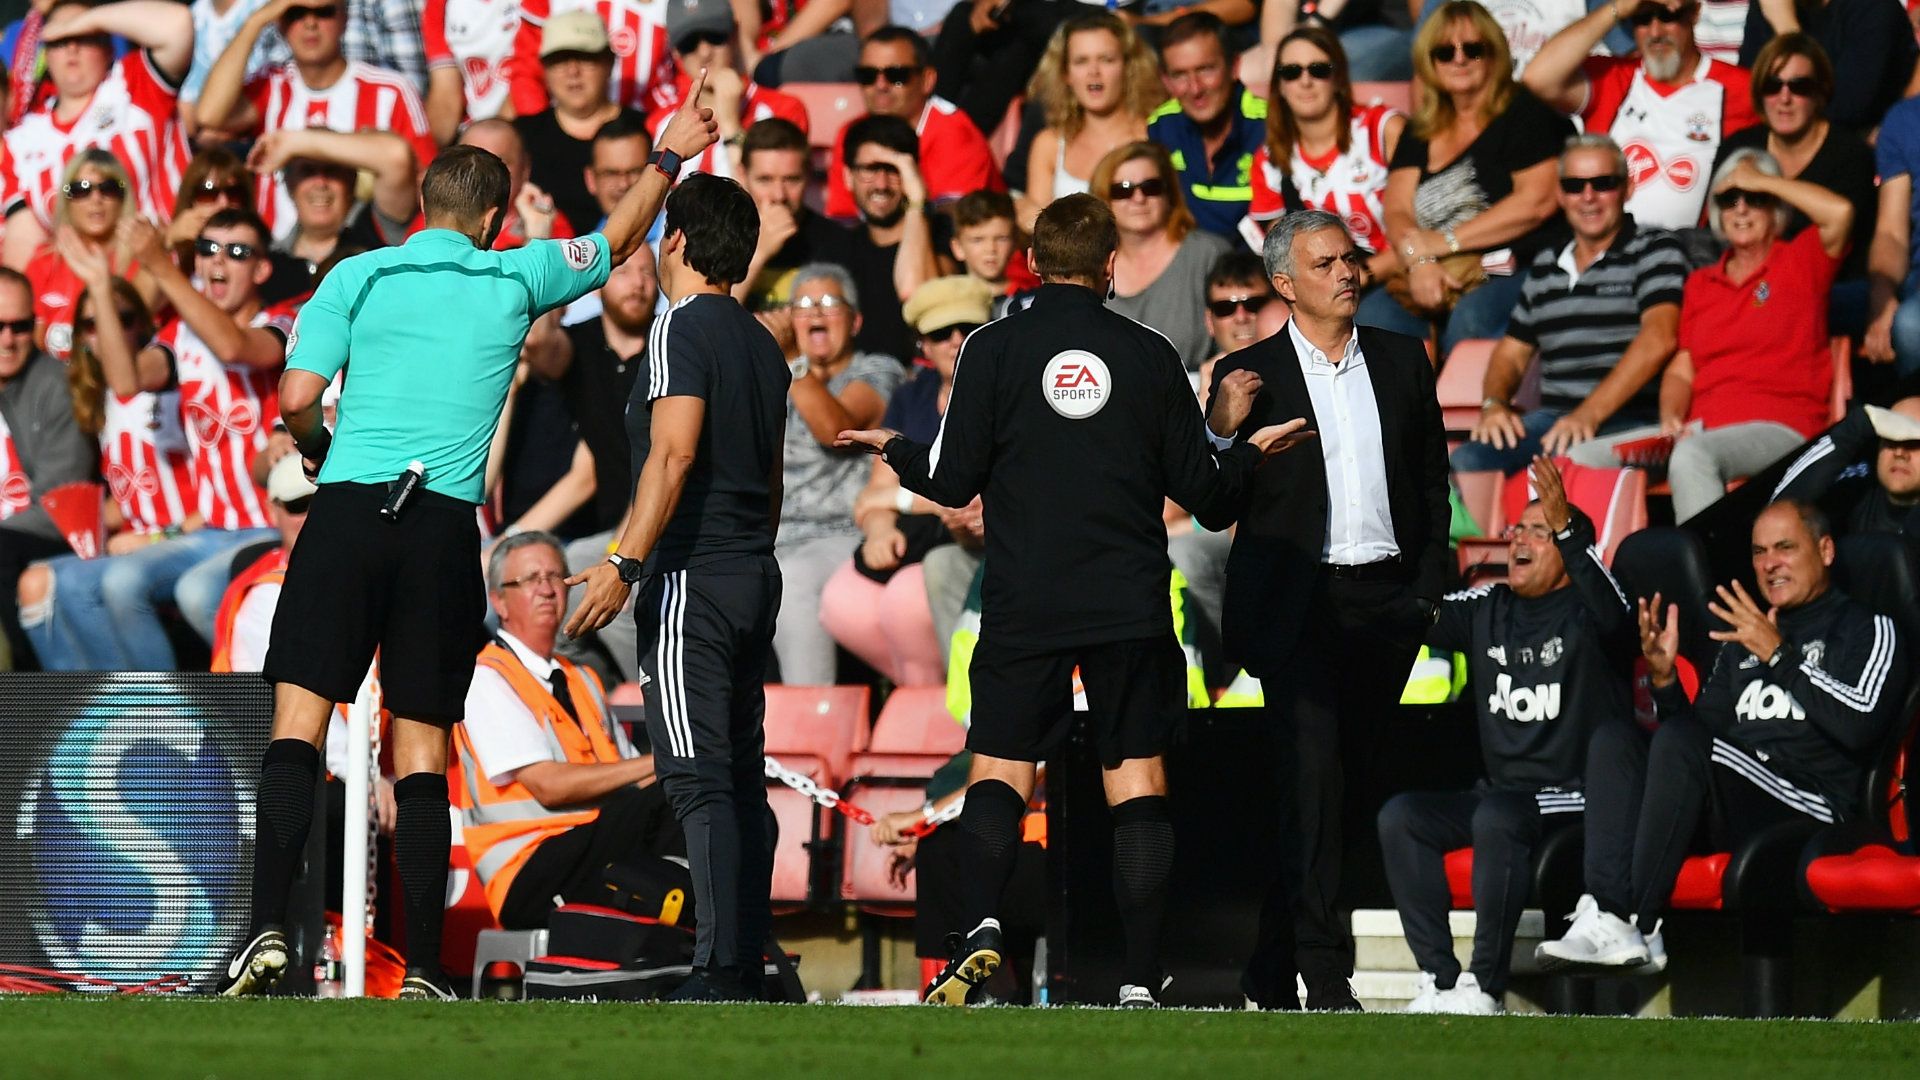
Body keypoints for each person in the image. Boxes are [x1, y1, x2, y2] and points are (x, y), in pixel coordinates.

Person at [217, 71, 717, 1001]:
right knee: (420, 748)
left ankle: (259, 938)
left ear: (420, 209)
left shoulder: (355, 274)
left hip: (347, 511)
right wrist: (670, 151)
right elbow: (614, 241)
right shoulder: (513, 271)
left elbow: (292, 400)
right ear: (492, 220)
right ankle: (427, 970)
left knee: (297, 725)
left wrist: (327, 451)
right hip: (441, 524)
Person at [838, 193, 1308, 1009]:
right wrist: (1235, 438)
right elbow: (1208, 497)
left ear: (1030, 263)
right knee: (1137, 782)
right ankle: (1137, 975)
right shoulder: (1152, 350)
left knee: (1000, 771)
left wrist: (899, 450)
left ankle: (981, 925)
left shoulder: (991, 347)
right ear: (1110, 268)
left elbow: (952, 484)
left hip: (1025, 601)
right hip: (1126, 601)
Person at [1206, 210, 1451, 1011]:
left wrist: (1423, 596)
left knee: (1341, 800)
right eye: (1325, 263)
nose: (1347, 272)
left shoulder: (1402, 358)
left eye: (1350, 258)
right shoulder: (1246, 374)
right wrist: (1228, 435)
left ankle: (1270, 971)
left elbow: (1429, 485)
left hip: (1387, 604)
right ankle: (1324, 974)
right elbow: (1214, 506)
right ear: (1284, 284)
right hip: (1298, 605)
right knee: (1313, 785)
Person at [562, 172, 790, 1003]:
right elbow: (766, 475)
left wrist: (626, 561)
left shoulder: (679, 327)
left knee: (697, 777)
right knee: (738, 777)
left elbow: (674, 452)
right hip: (751, 571)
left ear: (680, 242)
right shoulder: (764, 341)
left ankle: (719, 967)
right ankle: (747, 954)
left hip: (693, 575)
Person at [1536, 499, 1909, 972]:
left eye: (1785, 548)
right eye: (1758, 552)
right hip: (1735, 795)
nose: (1769, 563)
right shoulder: (1745, 637)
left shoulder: (1868, 629)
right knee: (1615, 740)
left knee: (1681, 745)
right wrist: (1666, 682)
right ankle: (1604, 911)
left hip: (1811, 800)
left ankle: (1638, 922)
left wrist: (1780, 656)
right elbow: (1694, 732)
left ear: (1827, 550)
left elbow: (1861, 722)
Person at [1381, 456, 1635, 1015]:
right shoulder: (1488, 607)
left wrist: (1568, 528)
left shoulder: (1591, 613)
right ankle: (1440, 980)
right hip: (1499, 793)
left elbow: (1620, 620)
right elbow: (1412, 615)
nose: (1517, 537)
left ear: (1569, 551)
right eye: (1517, 527)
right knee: (1402, 818)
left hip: (1569, 793)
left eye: (1538, 531)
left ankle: (1486, 986)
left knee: (1497, 815)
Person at [91, 210, 293, 668]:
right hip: (213, 529)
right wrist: (101, 287)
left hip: (270, 527)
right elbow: (124, 380)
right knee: (118, 583)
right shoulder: (179, 335)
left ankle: (262, 717)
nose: (217, 261)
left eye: (237, 252)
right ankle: (172, 720)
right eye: (207, 250)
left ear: (262, 269)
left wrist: (162, 265)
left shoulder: (283, 322)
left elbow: (234, 348)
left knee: (197, 591)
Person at [455, 531, 683, 929]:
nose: (546, 589)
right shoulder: (487, 678)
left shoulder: (583, 678)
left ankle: (708, 923)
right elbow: (550, 786)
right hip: (528, 868)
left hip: (592, 848)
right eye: (530, 580)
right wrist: (669, 763)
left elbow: (633, 776)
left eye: (555, 577)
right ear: (498, 602)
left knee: (716, 797)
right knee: (679, 790)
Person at [1459, 135, 1690, 474]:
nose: (1588, 197)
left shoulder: (1656, 249)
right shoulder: (1546, 264)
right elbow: (1510, 352)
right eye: (1574, 185)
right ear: (1560, 195)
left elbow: (1660, 337)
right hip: (1555, 423)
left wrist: (1589, 414)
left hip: (1630, 421)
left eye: (1603, 183)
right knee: (1468, 460)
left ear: (1627, 188)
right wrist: (1494, 406)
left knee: (1572, 463)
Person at [1358, 2, 1571, 353]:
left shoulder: (1523, 112)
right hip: (1429, 268)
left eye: (1473, 49)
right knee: (1375, 318)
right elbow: (1397, 209)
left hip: (1515, 266)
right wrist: (1420, 260)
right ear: (1430, 61)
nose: (1459, 59)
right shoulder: (1420, 130)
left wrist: (1443, 244)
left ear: (1495, 54)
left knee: (1471, 321)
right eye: (1445, 51)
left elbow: (1538, 201)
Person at [1653, 150, 1851, 522]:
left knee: (1694, 456)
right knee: (1578, 459)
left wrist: (1759, 178)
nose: (1741, 209)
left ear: (1775, 205)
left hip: (1782, 428)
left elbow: (1840, 213)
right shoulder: (1701, 282)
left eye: (1755, 199)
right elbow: (1682, 369)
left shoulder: (1801, 259)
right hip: (1701, 430)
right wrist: (1670, 417)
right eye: (1730, 199)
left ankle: (1708, 576)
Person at [15, 263, 192, 671]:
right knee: (36, 583)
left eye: (122, 318)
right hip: (132, 542)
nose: (106, 332)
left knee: (113, 581)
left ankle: (156, 708)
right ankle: (93, 712)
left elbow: (210, 500)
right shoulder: (97, 402)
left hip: (183, 537)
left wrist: (153, 538)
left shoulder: (166, 390)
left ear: (143, 325)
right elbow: (128, 499)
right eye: (91, 324)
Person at [819, 275, 992, 687]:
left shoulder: (1002, 391)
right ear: (924, 345)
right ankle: (924, 701)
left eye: (968, 330)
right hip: (923, 537)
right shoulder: (912, 397)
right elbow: (874, 496)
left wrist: (908, 501)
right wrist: (881, 527)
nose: (955, 340)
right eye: (941, 332)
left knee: (905, 598)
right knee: (843, 599)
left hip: (981, 544)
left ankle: (939, 707)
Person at [195, 0, 436, 241]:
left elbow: (425, 186)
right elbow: (209, 114)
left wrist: (294, 143)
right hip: (278, 259)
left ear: (345, 17)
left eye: (324, 12)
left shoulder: (391, 91)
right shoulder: (272, 85)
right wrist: (254, 22)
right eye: (296, 13)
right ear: (279, 20)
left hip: (362, 251)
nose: (310, 24)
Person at [766, 264, 903, 684]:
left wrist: (792, 359)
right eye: (803, 305)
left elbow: (838, 430)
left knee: (795, 580)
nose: (816, 315)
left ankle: (812, 730)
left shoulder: (877, 371)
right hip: (767, 535)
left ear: (856, 320)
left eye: (829, 304)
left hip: (838, 534)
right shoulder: (769, 376)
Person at [1523, 0, 1757, 233]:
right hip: (1608, 254)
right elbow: (1537, 78)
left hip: (1690, 256)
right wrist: (1621, 7)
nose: (1655, 32)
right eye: (1642, 19)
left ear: (1694, 13)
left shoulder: (1741, 88)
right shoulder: (1614, 77)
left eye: (1667, 16)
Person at [0, 0, 194, 270]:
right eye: (59, 40)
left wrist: (87, 19)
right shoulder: (21, 140)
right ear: (46, 52)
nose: (71, 48)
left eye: (84, 38)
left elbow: (178, 24)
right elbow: (24, 243)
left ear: (107, 46)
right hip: (81, 293)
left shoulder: (131, 84)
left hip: (165, 271)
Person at [1712, 34, 1873, 338]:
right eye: (1773, 86)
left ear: (1820, 92)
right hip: (1750, 281)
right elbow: (1720, 225)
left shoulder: (1850, 154)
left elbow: (1841, 225)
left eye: (1799, 87)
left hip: (1832, 286)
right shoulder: (1740, 146)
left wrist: (1763, 183)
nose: (1784, 98)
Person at [1245, 26, 1403, 275]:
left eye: (1319, 70)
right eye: (1291, 72)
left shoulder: (1382, 129)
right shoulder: (1268, 160)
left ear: (1339, 78)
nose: (1305, 81)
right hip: (1325, 288)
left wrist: (1365, 275)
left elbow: (1426, 221)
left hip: (1398, 273)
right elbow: (1284, 253)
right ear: (1280, 86)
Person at [0, 267, 96, 670]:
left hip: (47, 533)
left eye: (19, 327)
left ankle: (18, 692)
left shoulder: (56, 384)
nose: (7, 340)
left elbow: (62, 503)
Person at [824, 25, 1002, 221]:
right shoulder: (851, 133)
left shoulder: (955, 134)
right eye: (868, 75)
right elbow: (844, 219)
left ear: (927, 80)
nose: (881, 85)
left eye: (896, 75)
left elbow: (956, 226)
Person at [513, 11, 654, 249]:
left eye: (585, 57)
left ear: (609, 61)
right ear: (544, 68)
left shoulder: (648, 128)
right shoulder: (521, 137)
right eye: (560, 60)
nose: (573, 71)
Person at [1098, 142, 1235, 372]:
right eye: (1123, 190)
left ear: (1169, 193)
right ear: (1104, 200)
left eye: (1150, 187)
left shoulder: (1207, 254)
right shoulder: (1093, 265)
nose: (1138, 198)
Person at [1019, 13, 1162, 230]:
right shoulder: (1048, 144)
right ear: (1066, 73)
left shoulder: (1156, 134)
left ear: (1128, 66)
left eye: (1106, 59)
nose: (1093, 72)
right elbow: (1039, 232)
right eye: (1081, 61)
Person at [644, 0, 808, 183]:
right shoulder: (660, 124)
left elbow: (768, 200)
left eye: (715, 36)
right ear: (674, 52)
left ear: (735, 33)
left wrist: (731, 126)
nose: (705, 52)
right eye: (689, 43)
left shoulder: (783, 110)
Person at [1147, 13, 1268, 240]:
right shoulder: (1161, 127)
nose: (1195, 88)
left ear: (1234, 67)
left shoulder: (1271, 126)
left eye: (1205, 69)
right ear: (1165, 80)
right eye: (1180, 75)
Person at [835, 115, 945, 363]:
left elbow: (916, 294)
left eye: (894, 170)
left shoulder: (941, 234)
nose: (882, 184)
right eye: (870, 170)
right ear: (847, 176)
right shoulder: (837, 246)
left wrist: (917, 203)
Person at [25, 150, 152, 362]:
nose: (96, 199)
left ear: (124, 197)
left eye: (108, 188)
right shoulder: (43, 261)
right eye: (81, 189)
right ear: (66, 199)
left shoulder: (142, 261)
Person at [1739, 0, 1914, 133]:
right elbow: (1749, 93)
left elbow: (1845, 111)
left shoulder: (1875, 8)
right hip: (1778, 141)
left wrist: (1787, 30)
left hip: (1854, 148)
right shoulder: (1772, 6)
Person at [1772, 398, 1920, 540]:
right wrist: (1857, 425)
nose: (1900, 453)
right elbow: (1776, 514)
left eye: (1914, 443)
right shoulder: (1854, 493)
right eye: (1890, 439)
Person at [509, 0, 675, 118]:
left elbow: (684, 73)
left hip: (647, 130)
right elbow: (527, 72)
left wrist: (655, 130)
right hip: (564, 127)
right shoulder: (543, 3)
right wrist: (541, 131)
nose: (573, 70)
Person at [1860, 87, 1920, 380]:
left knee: (1911, 326)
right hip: (1913, 278)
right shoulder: (1905, 119)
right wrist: (1881, 297)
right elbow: (1891, 232)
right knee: (1811, 305)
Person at [422, 0, 521, 145]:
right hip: (471, 132)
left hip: (525, 125)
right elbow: (445, 94)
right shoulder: (438, 5)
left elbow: (529, 80)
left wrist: (487, 147)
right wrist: (429, 159)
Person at [1260, 0, 1415, 82]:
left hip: (1391, 30)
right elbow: (1280, 7)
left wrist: (1316, 23)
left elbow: (1315, 29)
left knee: (1328, 65)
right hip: (1318, 38)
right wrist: (1277, 54)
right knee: (1246, 71)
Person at [947, 191, 1040, 314]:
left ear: (1015, 242)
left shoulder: (1031, 300)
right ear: (958, 247)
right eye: (977, 240)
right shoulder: (947, 304)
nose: (991, 249)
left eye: (1001, 238)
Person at [1203, 251, 1279, 364]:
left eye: (1254, 304)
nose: (1241, 318)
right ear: (1209, 321)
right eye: (1224, 308)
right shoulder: (1190, 380)